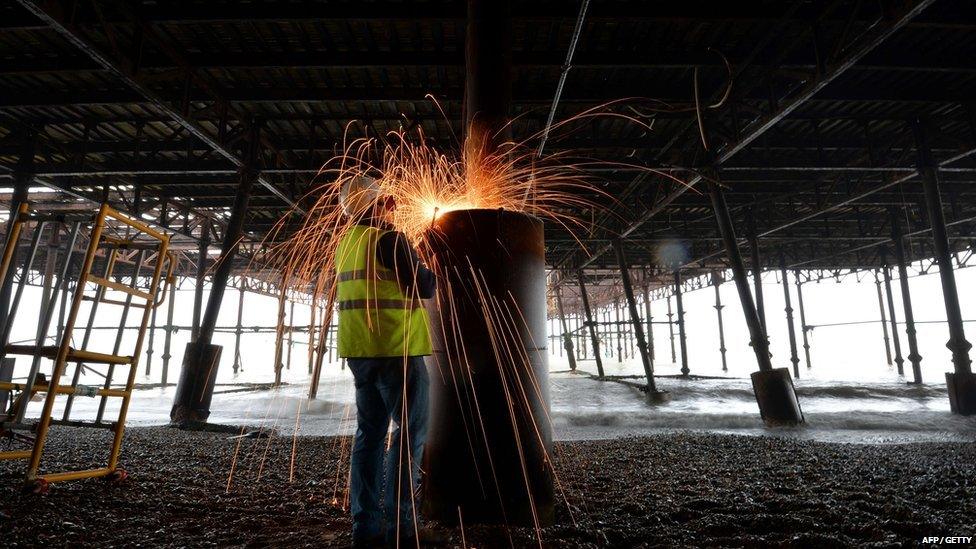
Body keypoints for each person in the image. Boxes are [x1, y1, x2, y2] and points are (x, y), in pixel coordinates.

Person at [336, 176, 441, 548]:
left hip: (360, 354)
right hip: (397, 351)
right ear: (376, 205)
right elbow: (425, 286)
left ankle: (365, 527)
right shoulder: (391, 240)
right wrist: (430, 257)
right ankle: (402, 528)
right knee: (409, 436)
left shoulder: (347, 244)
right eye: (387, 203)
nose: (393, 209)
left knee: (369, 437)